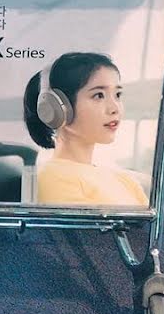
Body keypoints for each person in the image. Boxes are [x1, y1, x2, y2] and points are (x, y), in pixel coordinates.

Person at [22, 52, 149, 207]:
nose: (115, 108)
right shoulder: (53, 178)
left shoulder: (124, 180)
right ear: (58, 108)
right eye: (99, 95)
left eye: (117, 94)